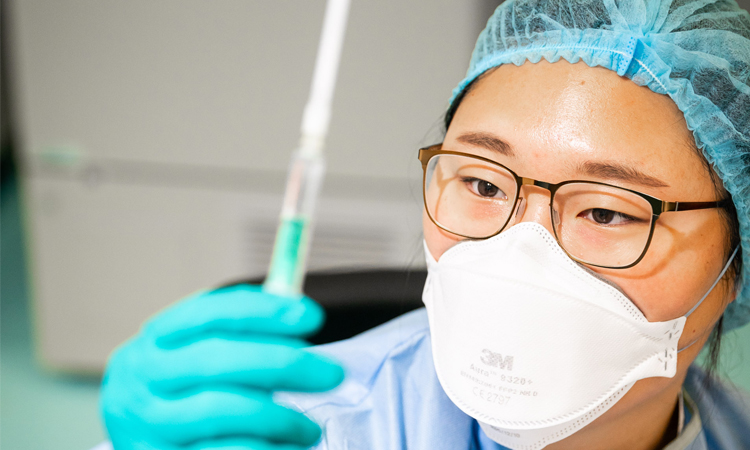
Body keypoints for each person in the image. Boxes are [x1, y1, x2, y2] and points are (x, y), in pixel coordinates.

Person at [96, 0, 750, 448]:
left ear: (733, 268)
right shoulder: (310, 430)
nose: (518, 254)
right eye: (483, 183)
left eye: (606, 211)